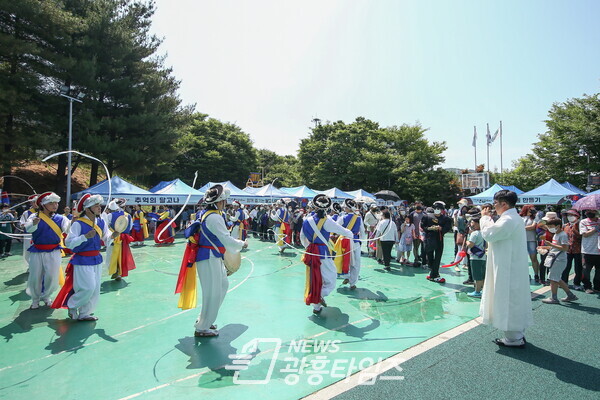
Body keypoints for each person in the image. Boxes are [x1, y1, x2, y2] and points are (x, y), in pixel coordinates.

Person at [180, 184, 247, 337]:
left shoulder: (207, 214)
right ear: (220, 202)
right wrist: (242, 243)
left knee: (221, 286)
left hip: (211, 256)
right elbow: (226, 239)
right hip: (209, 256)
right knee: (212, 292)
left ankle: (207, 319)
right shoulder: (215, 217)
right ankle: (202, 327)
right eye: (224, 201)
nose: (226, 204)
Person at [480, 190, 533, 348]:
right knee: (513, 297)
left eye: (495, 203)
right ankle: (517, 334)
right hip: (511, 265)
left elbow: (489, 233)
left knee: (509, 298)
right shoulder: (512, 218)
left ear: (504, 204)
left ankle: (513, 338)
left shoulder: (508, 220)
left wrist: (484, 217)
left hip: (508, 267)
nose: (493, 206)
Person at [53, 194, 115, 320]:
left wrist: (114, 235)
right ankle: (72, 305)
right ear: (87, 209)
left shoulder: (101, 222)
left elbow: (106, 237)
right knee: (88, 287)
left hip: (96, 259)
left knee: (95, 289)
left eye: (99, 205)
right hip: (82, 259)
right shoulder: (78, 224)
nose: (99, 208)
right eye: (96, 206)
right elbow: (69, 243)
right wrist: (84, 237)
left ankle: (84, 313)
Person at [301, 194, 353, 315]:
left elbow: (302, 237)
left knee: (314, 278)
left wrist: (309, 248)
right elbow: (342, 231)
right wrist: (350, 235)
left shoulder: (306, 220)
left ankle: (316, 307)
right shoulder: (327, 221)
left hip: (311, 253)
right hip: (323, 254)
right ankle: (318, 295)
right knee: (331, 279)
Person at [24, 192, 71, 309]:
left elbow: (67, 229)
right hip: (37, 251)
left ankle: (47, 296)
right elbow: (28, 228)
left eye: (56, 203)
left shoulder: (61, 218)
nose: (55, 205)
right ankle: (35, 299)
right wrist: (34, 224)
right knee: (36, 275)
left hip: (54, 251)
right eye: (51, 203)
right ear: (43, 205)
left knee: (52, 276)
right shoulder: (34, 216)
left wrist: (73, 222)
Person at [538, 218, 578, 304]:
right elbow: (556, 247)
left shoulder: (562, 235)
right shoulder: (556, 234)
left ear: (558, 226)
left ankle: (554, 298)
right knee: (556, 278)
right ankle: (570, 295)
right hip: (556, 258)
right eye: (548, 226)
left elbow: (565, 248)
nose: (549, 228)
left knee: (553, 279)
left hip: (559, 259)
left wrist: (550, 244)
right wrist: (545, 247)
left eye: (550, 226)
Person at [335, 199, 364, 289]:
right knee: (355, 262)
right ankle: (353, 283)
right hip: (355, 242)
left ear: (347, 208)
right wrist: (360, 241)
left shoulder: (342, 218)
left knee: (344, 260)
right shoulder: (359, 218)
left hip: (344, 242)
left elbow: (335, 228)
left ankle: (346, 276)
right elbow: (362, 232)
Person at [104, 198, 136, 281]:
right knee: (122, 255)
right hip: (124, 238)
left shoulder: (110, 215)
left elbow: (106, 226)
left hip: (113, 237)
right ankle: (120, 272)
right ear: (124, 206)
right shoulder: (128, 215)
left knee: (111, 255)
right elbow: (130, 226)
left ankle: (115, 271)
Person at [421, 201, 452, 283]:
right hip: (429, 239)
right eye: (436, 209)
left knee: (438, 257)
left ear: (442, 210)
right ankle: (433, 273)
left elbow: (447, 228)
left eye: (439, 209)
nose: (437, 210)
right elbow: (423, 226)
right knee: (430, 257)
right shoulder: (427, 216)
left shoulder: (445, 219)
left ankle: (434, 274)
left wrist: (441, 229)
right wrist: (430, 228)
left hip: (439, 239)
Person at [561, 209, 583, 290]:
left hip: (578, 249)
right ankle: (564, 282)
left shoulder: (580, 225)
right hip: (567, 249)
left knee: (578, 267)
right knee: (566, 266)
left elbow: (583, 237)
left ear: (577, 216)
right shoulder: (565, 226)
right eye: (568, 215)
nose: (570, 217)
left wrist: (575, 231)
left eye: (572, 215)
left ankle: (577, 283)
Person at [466, 213, 486, 298]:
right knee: (482, 275)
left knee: (477, 276)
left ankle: (477, 291)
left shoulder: (475, 234)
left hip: (475, 257)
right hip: (483, 256)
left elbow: (470, 244)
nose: (471, 224)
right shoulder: (484, 233)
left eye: (472, 222)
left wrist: (467, 242)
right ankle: (484, 290)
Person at [579, 209, 599, 294]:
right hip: (587, 250)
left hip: (598, 251)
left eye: (592, 211)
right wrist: (596, 228)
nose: (589, 212)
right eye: (587, 211)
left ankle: (597, 286)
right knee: (586, 270)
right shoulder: (583, 222)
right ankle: (587, 286)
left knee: (599, 271)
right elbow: (585, 234)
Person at [520, 204, 540, 282]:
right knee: (523, 259)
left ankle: (536, 274)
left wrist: (522, 228)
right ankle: (525, 274)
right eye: (530, 209)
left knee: (533, 258)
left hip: (531, 239)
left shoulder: (535, 217)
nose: (532, 210)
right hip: (522, 240)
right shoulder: (521, 217)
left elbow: (533, 227)